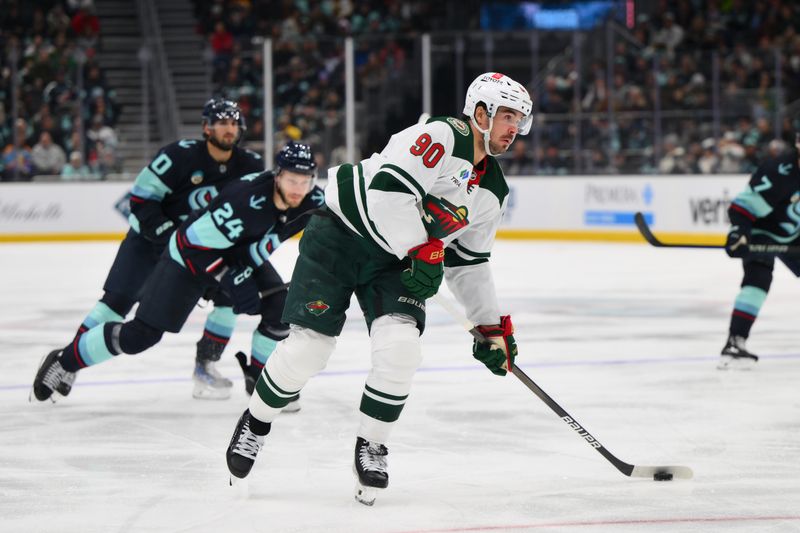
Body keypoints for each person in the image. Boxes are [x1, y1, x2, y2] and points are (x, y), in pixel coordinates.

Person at [224, 72, 532, 506]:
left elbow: (470, 263)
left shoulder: (492, 190)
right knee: (309, 349)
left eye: (519, 119)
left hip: (394, 261)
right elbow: (388, 192)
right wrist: (420, 252)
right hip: (340, 236)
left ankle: (372, 445)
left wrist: (489, 326)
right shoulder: (442, 135)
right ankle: (255, 423)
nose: (513, 128)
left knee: (401, 349)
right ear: (480, 113)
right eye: (506, 116)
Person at [31, 141, 325, 406]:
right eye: (291, 180)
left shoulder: (312, 200)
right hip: (185, 260)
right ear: (277, 176)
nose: (298, 188)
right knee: (141, 336)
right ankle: (65, 360)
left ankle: (261, 385)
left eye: (305, 180)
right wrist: (229, 278)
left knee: (278, 306)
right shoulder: (242, 200)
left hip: (237, 256)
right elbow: (189, 244)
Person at [39, 98, 265, 401]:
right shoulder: (178, 156)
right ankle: (69, 360)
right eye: (222, 122)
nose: (229, 128)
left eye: (234, 123)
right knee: (117, 302)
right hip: (149, 242)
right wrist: (169, 237)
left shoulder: (250, 164)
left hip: (200, 251)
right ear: (206, 127)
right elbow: (142, 198)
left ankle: (205, 366)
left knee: (229, 297)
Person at [720, 130, 800, 369]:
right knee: (758, 278)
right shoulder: (779, 171)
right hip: (762, 230)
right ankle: (735, 342)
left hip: (794, 233)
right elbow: (742, 208)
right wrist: (740, 232)